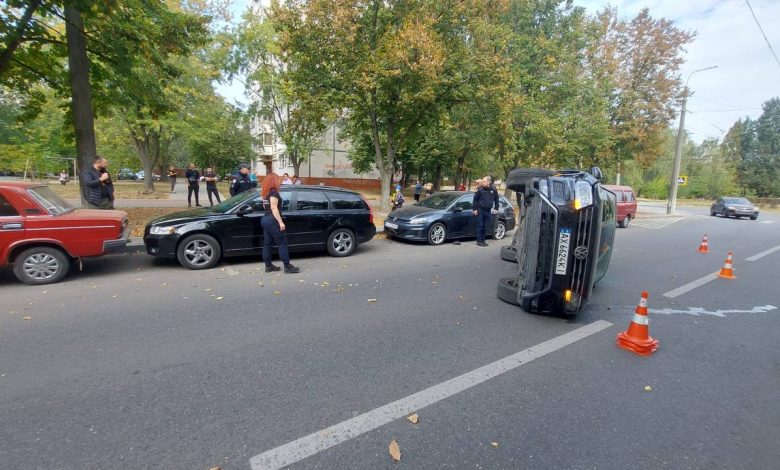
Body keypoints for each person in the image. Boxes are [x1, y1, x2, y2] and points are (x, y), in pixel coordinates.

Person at [261, 172, 300, 274]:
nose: (279, 181)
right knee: (282, 243)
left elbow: (265, 206)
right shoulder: (273, 192)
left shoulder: (266, 192)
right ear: (274, 181)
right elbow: (274, 207)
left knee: (267, 244)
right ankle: (287, 266)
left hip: (265, 219)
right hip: (272, 220)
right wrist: (280, 222)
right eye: (277, 179)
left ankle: (268, 266)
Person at [472, 176, 499, 247]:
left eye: (484, 181)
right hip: (480, 210)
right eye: (482, 181)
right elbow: (475, 200)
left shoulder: (493, 189)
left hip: (488, 210)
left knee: (485, 226)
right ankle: (479, 241)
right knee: (480, 225)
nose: (482, 182)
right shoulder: (479, 189)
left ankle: (483, 240)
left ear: (488, 182)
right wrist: (474, 209)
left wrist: (496, 208)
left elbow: (496, 199)